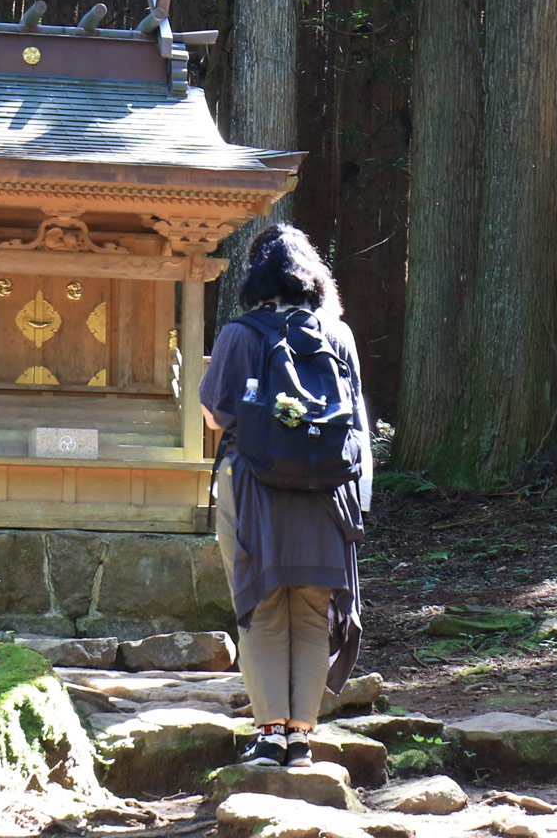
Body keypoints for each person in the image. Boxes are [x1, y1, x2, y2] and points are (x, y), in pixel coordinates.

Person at [199, 223, 369, 768]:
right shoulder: (337, 335)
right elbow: (357, 422)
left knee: (263, 607)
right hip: (328, 492)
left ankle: (270, 733)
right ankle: (302, 738)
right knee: (313, 612)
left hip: (252, 487)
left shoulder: (240, 333)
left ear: (257, 274)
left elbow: (213, 413)